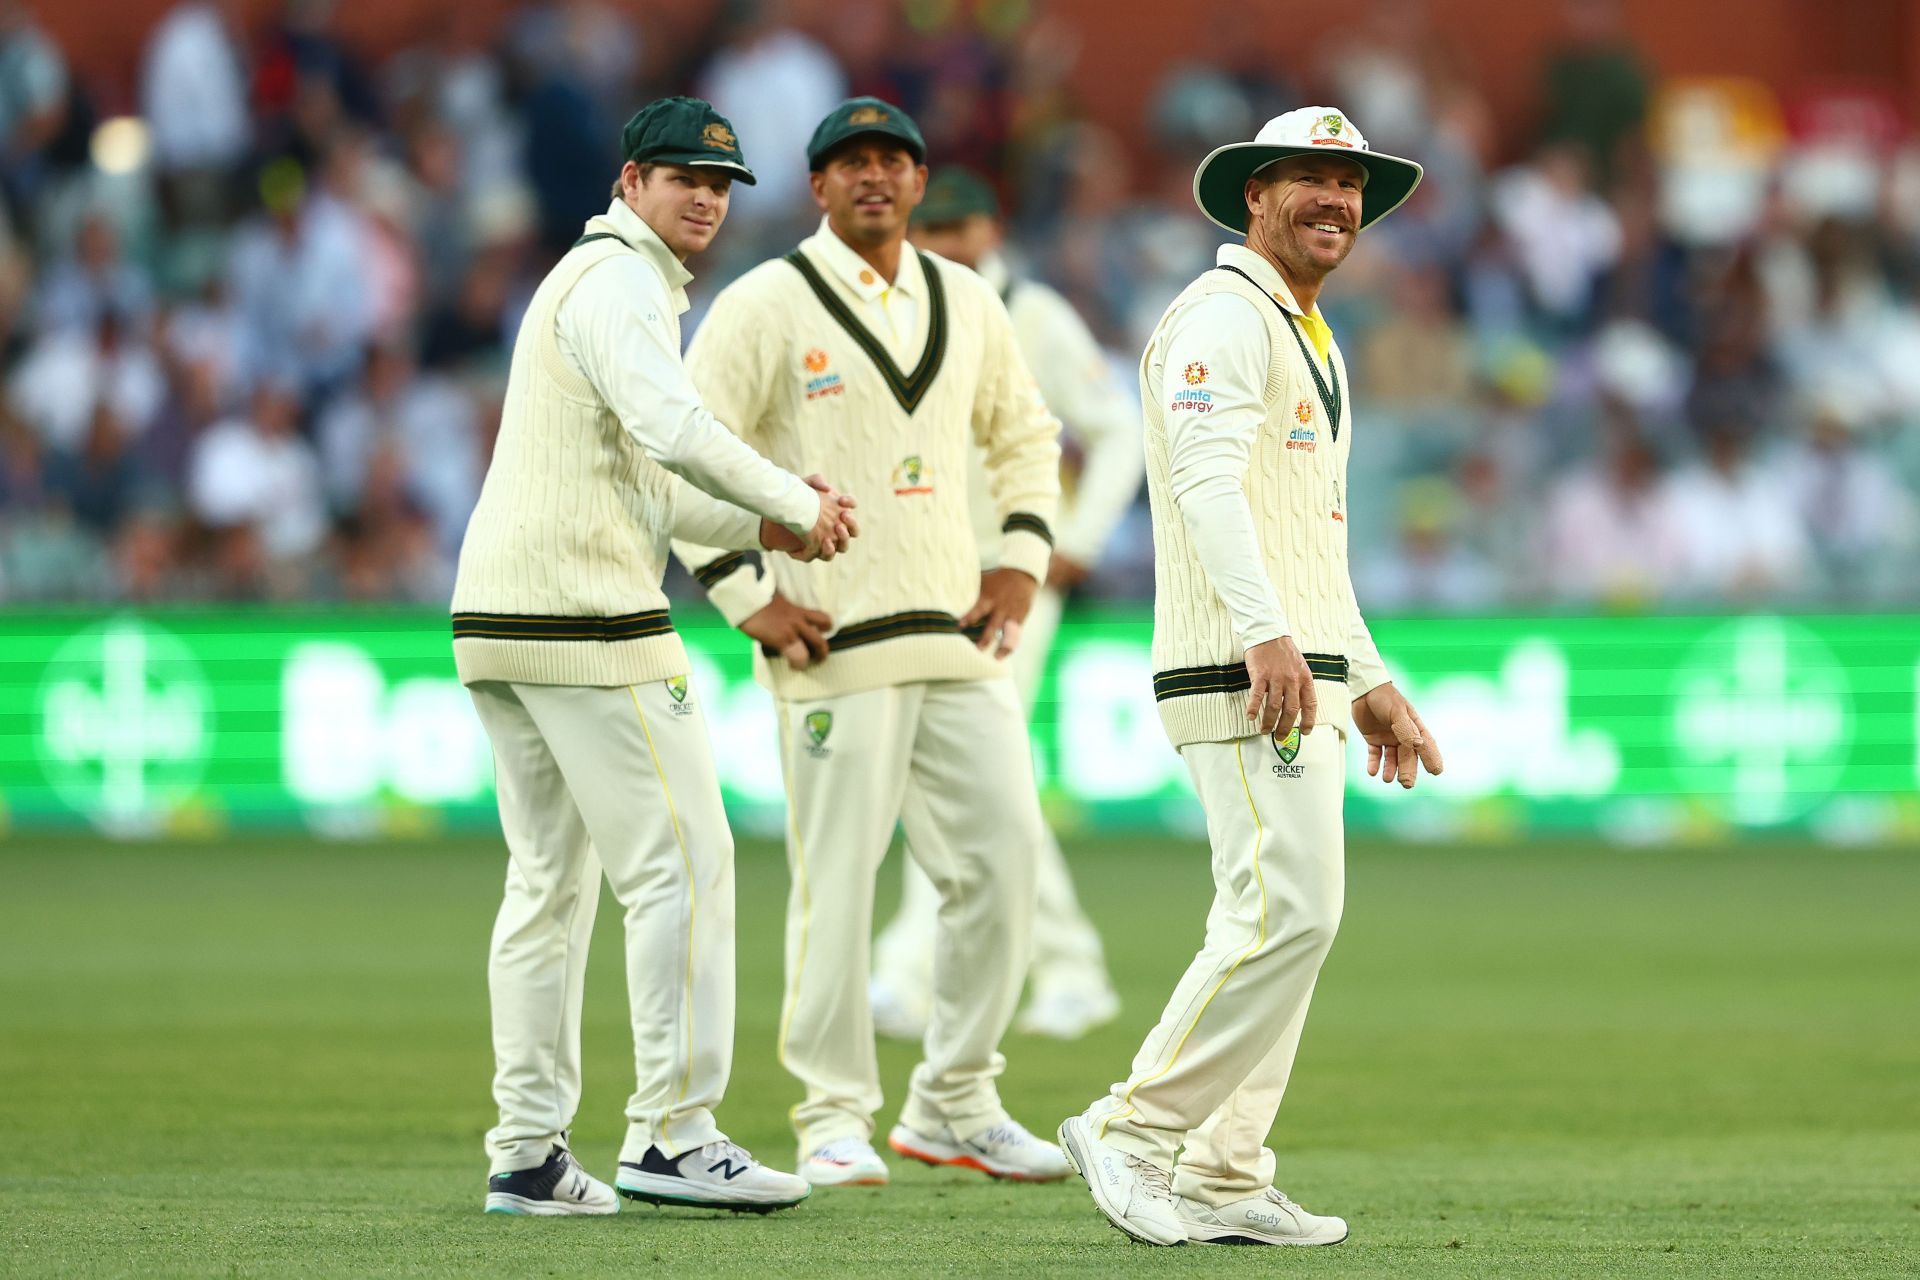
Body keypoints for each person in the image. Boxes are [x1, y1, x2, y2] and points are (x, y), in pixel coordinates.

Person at [450, 96, 858, 1218]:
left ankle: (528, 1151)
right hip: (584, 614)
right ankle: (674, 1132)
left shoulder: (597, 287)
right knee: (683, 864)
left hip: (500, 612)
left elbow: (650, 470)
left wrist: (769, 525)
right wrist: (788, 497)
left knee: (547, 888)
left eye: (721, 185)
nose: (705, 199)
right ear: (630, 182)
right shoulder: (622, 281)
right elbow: (675, 426)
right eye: (683, 177)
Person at [1055, 106, 1445, 1247]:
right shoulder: (1223, 315)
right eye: (1312, 179)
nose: (1337, 200)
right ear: (1253, 196)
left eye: (1352, 184)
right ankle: (1132, 1130)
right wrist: (1266, 633)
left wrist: (1363, 673)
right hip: (1244, 666)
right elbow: (1203, 483)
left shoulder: (1306, 329)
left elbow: (1309, 532)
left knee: (1285, 916)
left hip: (1300, 664)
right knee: (1289, 907)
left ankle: (1225, 1171)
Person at [672, 98, 1068, 1188]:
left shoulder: (967, 298)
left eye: (893, 160)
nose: (874, 178)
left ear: (920, 178)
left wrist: (1022, 555)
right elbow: (683, 457)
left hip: (953, 631)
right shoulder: (764, 303)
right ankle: (830, 1113)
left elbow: (1027, 436)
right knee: (836, 883)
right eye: (851, 163)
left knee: (1004, 862)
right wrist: (744, 590)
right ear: (817, 186)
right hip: (831, 644)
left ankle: (956, 1098)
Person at [869, 166, 1143, 1041]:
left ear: (990, 229)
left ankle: (912, 971)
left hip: (1012, 574)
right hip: (927, 572)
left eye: (961, 230)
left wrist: (1078, 543)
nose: (947, 245)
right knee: (967, 771)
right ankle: (1066, 969)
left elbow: (1118, 431)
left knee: (963, 765)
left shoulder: (1036, 316)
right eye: (932, 231)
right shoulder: (898, 310)